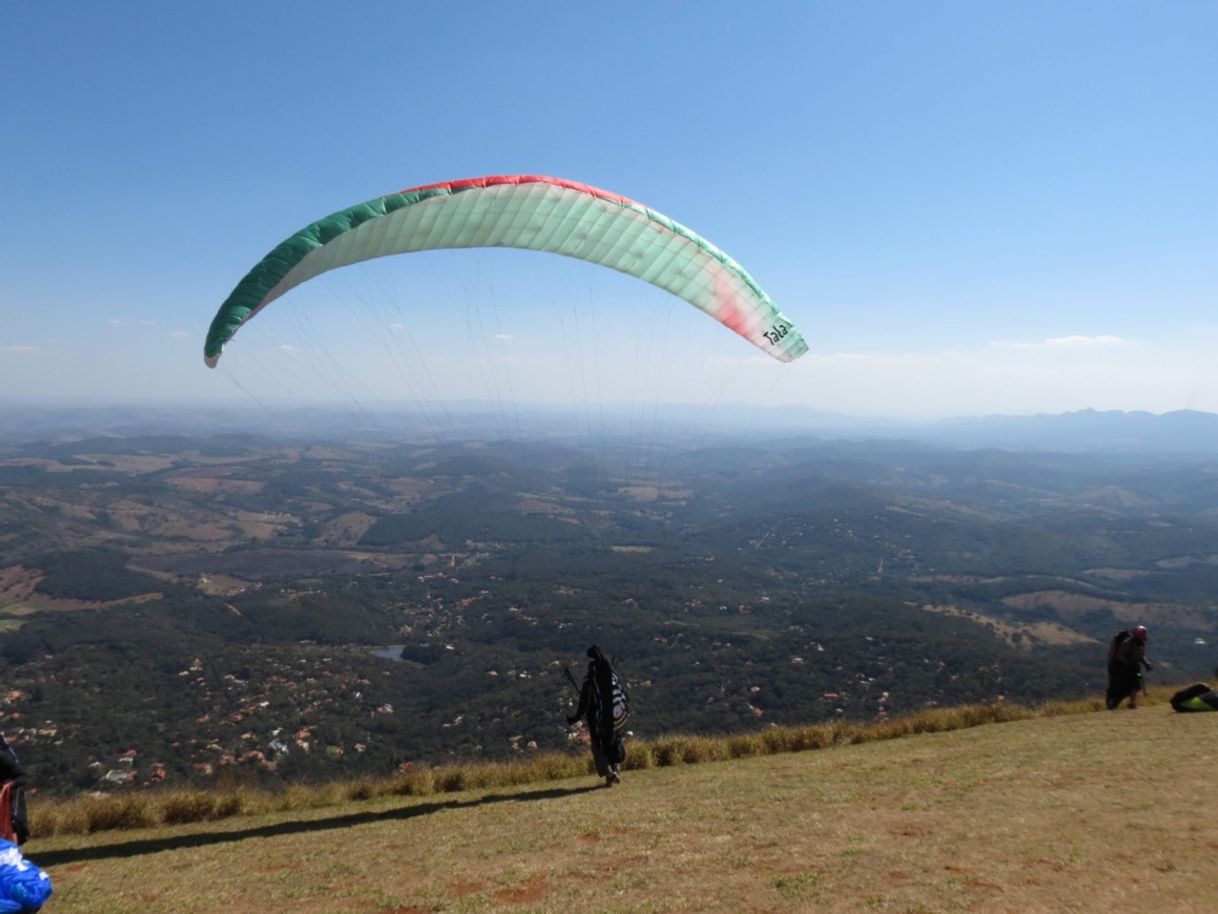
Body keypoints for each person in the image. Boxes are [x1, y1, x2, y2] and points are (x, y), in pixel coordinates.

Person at [567, 645, 629, 787]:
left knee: (598, 748)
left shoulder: (591, 683)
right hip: (616, 720)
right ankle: (615, 771)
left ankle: (609, 774)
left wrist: (574, 718)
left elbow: (583, 705)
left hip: (599, 723)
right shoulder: (612, 677)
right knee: (613, 743)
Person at [1106, 625, 1152, 710]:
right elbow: (1120, 655)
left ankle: (1132, 703)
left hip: (1133, 667)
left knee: (1136, 685)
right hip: (1122, 667)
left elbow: (1141, 656)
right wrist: (1127, 664)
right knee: (1125, 686)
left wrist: (1146, 664)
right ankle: (1114, 703)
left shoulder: (1141, 644)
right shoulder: (1127, 643)